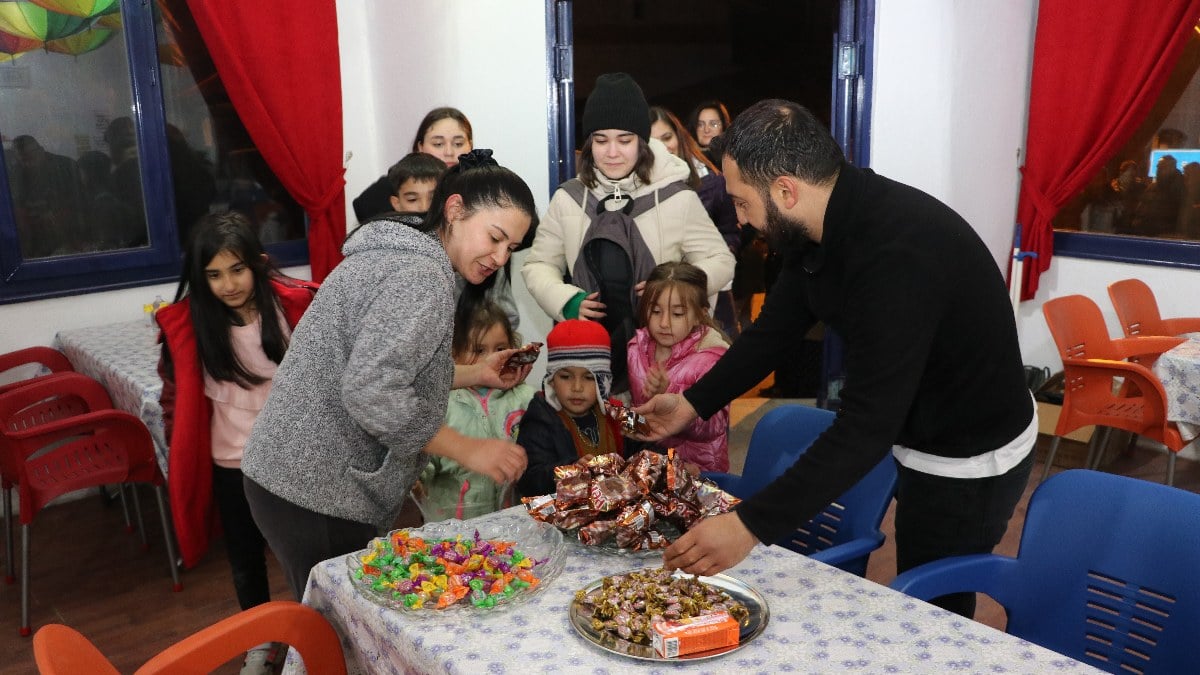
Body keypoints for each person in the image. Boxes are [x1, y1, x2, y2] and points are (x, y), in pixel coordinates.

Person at [635, 100, 1036, 620]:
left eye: (740, 202)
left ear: (785, 190)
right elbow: (773, 333)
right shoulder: (815, 226)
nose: (742, 220)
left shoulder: (896, 257)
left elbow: (864, 427)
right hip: (914, 425)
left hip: (970, 452)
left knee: (935, 603)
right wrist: (694, 402)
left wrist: (749, 525)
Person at [241, 149, 536, 600]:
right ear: (455, 210)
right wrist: (467, 448)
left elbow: (385, 366)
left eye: (510, 248)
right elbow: (371, 392)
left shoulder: (403, 253)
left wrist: (476, 372)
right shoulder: (419, 276)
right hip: (316, 491)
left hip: (286, 479)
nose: (499, 257)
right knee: (337, 637)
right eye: (494, 238)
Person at [155, 211, 318, 674]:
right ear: (198, 277)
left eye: (237, 269)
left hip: (293, 459)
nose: (228, 284)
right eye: (213, 274)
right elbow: (174, 399)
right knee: (246, 561)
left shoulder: (293, 309)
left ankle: (316, 634)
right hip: (232, 464)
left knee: (303, 556)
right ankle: (260, 643)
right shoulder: (190, 327)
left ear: (259, 264)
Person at [522, 73, 735, 393]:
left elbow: (721, 261)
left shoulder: (677, 196)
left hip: (662, 361)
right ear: (588, 142)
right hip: (587, 361)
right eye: (600, 140)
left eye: (624, 140)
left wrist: (672, 289)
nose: (612, 152)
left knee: (656, 440)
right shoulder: (568, 197)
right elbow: (538, 265)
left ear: (642, 141)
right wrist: (566, 301)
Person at [418, 301, 535, 520]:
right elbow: (425, 459)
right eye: (479, 350)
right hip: (452, 529)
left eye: (500, 349)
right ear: (453, 355)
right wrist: (416, 480)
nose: (490, 358)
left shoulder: (525, 398)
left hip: (511, 523)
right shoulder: (442, 404)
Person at [516, 319, 643, 497]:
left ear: (604, 382)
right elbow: (528, 480)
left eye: (589, 378)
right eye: (566, 377)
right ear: (551, 379)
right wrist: (568, 472)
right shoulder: (539, 418)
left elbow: (653, 439)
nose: (577, 387)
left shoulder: (618, 410)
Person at [626, 261, 730, 472]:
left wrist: (669, 392)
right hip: (654, 466)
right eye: (655, 311)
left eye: (677, 314)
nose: (664, 323)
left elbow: (713, 427)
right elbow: (639, 408)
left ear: (699, 314)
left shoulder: (711, 359)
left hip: (698, 470)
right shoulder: (636, 347)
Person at [650, 105, 741, 336]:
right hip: (662, 304)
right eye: (652, 141)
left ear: (679, 136)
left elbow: (732, 232)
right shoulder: (639, 191)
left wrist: (712, 259)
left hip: (710, 295)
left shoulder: (711, 182)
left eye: (667, 137)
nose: (662, 147)